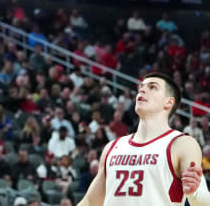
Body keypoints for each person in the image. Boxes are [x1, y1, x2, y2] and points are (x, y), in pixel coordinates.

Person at [79, 73, 209, 206]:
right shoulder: (112, 147)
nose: (142, 89)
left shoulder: (181, 143)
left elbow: (203, 200)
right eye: (141, 86)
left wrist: (194, 194)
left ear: (168, 102)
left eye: (152, 87)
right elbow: (91, 201)